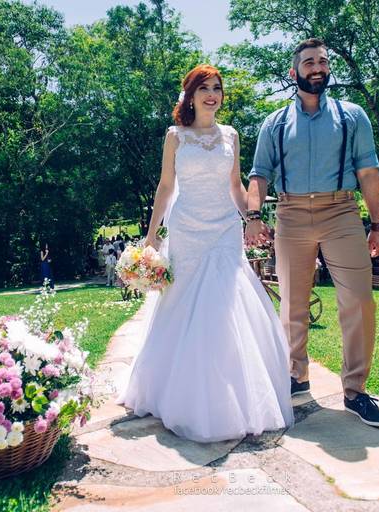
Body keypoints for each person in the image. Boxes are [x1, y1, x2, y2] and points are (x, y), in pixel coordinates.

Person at [116, 64, 294, 442]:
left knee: (226, 304)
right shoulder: (175, 136)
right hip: (187, 230)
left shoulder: (231, 135)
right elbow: (166, 186)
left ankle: (232, 393)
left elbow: (235, 185)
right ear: (191, 95)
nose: (212, 95)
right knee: (183, 304)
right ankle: (179, 393)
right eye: (204, 88)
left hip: (224, 229)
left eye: (217, 88)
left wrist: (251, 218)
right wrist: (152, 235)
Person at [245, 38, 379, 428]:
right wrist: (253, 216)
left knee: (359, 301)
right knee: (292, 303)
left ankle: (355, 391)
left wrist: (378, 225)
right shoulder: (275, 123)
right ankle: (297, 376)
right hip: (291, 213)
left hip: (342, 211)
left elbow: (368, 172)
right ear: (294, 72)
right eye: (309, 62)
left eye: (323, 62)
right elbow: (259, 174)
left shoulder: (352, 116)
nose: (317, 68)